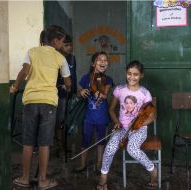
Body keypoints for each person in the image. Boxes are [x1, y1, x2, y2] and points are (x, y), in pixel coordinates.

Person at [10, 26, 71, 189]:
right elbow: (68, 82)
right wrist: (66, 86)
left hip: (30, 101)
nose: (62, 44)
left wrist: (15, 86)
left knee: (28, 141)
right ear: (56, 41)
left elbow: (24, 71)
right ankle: (43, 180)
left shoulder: (32, 51)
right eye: (61, 42)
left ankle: (24, 178)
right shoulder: (60, 58)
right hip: (49, 103)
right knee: (44, 143)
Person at [96, 60, 157, 190]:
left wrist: (138, 124)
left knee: (132, 149)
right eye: (129, 73)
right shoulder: (119, 89)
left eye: (136, 74)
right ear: (126, 73)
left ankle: (152, 170)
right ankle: (103, 179)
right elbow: (111, 109)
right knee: (110, 148)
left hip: (139, 130)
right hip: (122, 129)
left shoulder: (145, 94)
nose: (132, 77)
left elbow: (152, 117)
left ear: (141, 75)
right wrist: (117, 122)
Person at [74, 51, 113, 173]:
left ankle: (98, 164)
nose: (103, 61)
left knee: (101, 141)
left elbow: (105, 95)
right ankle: (82, 164)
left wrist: (98, 93)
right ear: (93, 64)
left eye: (105, 60)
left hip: (102, 117)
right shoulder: (86, 78)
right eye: (99, 59)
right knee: (85, 140)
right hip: (88, 117)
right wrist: (80, 92)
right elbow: (78, 92)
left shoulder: (108, 79)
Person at [55, 34, 77, 145]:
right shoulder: (56, 58)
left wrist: (74, 91)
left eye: (71, 45)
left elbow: (74, 76)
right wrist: (60, 85)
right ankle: (59, 145)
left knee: (69, 120)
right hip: (60, 95)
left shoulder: (72, 58)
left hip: (70, 94)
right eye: (66, 45)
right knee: (60, 120)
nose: (69, 47)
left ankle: (66, 144)